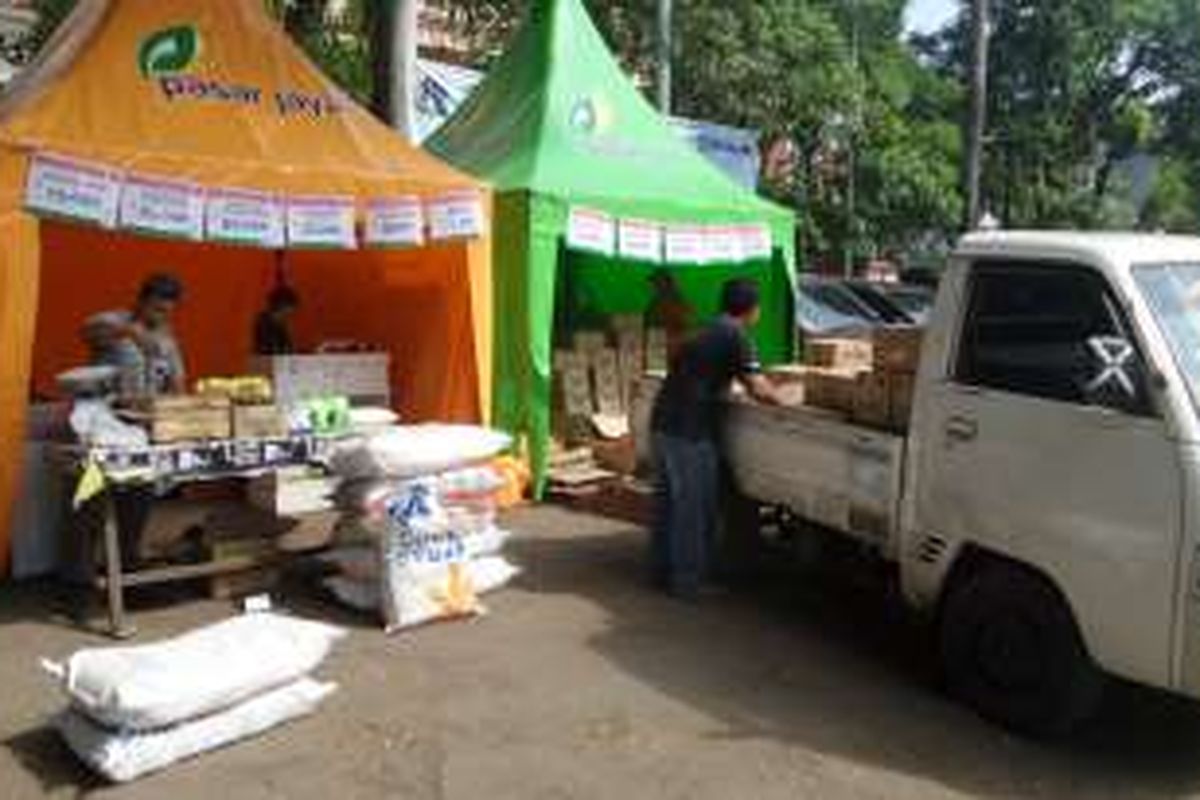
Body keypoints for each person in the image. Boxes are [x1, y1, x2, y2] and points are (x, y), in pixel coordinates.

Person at [648, 278, 782, 598]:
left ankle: (661, 573)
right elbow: (758, 387)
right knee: (693, 510)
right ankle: (689, 582)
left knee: (668, 507)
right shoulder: (736, 335)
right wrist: (789, 400)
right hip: (691, 432)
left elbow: (692, 369)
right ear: (753, 310)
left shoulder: (704, 329)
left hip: (663, 424)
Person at [83, 273, 187, 398]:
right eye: (157, 309)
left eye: (166, 312)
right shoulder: (115, 319)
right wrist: (131, 332)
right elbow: (89, 331)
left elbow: (177, 383)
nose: (161, 317)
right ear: (141, 301)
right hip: (108, 408)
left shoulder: (167, 340)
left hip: (149, 409)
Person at [644, 269, 693, 361]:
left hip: (671, 341)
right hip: (663, 342)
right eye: (654, 284)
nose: (653, 287)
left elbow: (683, 321)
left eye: (657, 283)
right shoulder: (657, 300)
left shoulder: (671, 299)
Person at [253, 285, 300, 356]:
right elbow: (267, 348)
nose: (291, 312)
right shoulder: (264, 322)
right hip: (269, 362)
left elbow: (287, 347)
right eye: (290, 308)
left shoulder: (281, 322)